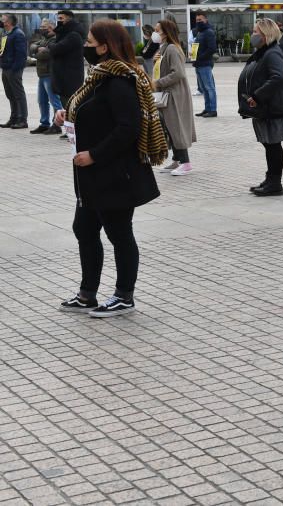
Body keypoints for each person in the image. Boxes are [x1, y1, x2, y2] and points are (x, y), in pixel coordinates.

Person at [54, 19, 166, 317]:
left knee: (119, 233)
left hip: (115, 173)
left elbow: (128, 128)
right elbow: (93, 114)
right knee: (84, 228)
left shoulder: (120, 80)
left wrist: (94, 155)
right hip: (92, 175)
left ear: (105, 47)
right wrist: (67, 117)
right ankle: (87, 293)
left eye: (90, 42)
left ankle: (124, 296)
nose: (85, 47)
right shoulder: (98, 76)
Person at [238, 18, 283, 196]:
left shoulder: (272, 53)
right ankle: (270, 179)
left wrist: (258, 95)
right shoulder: (263, 52)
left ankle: (275, 183)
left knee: (273, 145)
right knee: (269, 145)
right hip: (265, 108)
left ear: (266, 34)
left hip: (273, 108)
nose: (252, 35)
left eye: (256, 32)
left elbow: (278, 77)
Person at [151, 19, 197, 176]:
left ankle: (186, 162)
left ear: (166, 32)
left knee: (176, 127)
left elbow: (178, 73)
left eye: (157, 30)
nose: (155, 33)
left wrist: (157, 83)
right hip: (167, 94)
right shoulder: (164, 48)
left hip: (174, 94)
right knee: (169, 127)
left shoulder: (171, 49)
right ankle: (177, 160)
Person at [29, 19, 62, 134]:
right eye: (42, 26)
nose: (42, 28)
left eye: (45, 27)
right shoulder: (44, 39)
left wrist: (37, 51)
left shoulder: (56, 39)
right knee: (42, 100)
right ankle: (44, 123)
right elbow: (32, 46)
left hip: (50, 73)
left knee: (54, 101)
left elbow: (45, 55)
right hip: (42, 74)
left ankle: (57, 124)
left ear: (52, 27)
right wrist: (38, 49)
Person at [48, 10, 86, 109]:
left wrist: (50, 44)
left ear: (69, 20)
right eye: (58, 18)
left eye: (61, 18)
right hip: (63, 77)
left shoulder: (73, 35)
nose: (59, 21)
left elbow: (56, 49)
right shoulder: (64, 33)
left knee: (69, 107)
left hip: (69, 79)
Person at [0, 14, 29, 129]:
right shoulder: (6, 33)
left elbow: (21, 55)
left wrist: (14, 69)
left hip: (13, 69)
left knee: (18, 94)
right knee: (10, 94)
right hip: (5, 67)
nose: (1, 21)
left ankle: (22, 119)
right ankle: (14, 118)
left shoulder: (18, 34)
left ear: (8, 22)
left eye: (3, 19)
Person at [192, 11, 218, 117]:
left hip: (205, 64)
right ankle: (207, 108)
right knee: (203, 88)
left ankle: (212, 110)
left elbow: (212, 49)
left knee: (209, 87)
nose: (198, 22)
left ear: (206, 20)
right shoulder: (199, 32)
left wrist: (200, 57)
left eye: (200, 20)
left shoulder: (208, 32)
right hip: (198, 64)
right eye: (197, 20)